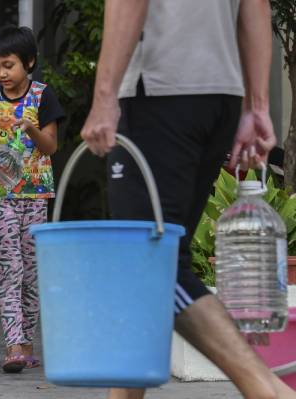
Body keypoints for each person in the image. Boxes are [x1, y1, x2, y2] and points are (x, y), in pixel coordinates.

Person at [79, 1, 296, 398]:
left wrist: (105, 95)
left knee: (152, 268)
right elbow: (256, 4)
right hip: (220, 96)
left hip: (160, 89)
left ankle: (271, 392)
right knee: (147, 272)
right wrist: (256, 104)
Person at [0, 25, 65, 373]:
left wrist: (31, 127)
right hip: (1, 195)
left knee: (31, 272)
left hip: (37, 193)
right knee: (10, 270)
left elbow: (51, 147)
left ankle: (26, 342)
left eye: (8, 65)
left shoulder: (43, 97)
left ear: (29, 63)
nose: (2, 74)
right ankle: (12, 345)